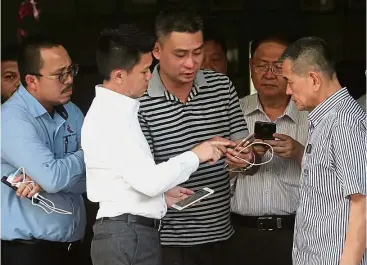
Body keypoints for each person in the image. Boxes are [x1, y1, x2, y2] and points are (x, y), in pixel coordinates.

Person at [82, 24, 234, 265]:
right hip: (126, 235)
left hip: (129, 232)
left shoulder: (118, 112)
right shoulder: (111, 117)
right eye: (144, 71)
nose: (149, 76)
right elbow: (149, 182)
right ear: (120, 75)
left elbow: (130, 180)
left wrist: (161, 198)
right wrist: (196, 154)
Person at [138, 10, 255, 265]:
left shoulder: (221, 87)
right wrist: (195, 154)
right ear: (156, 50)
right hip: (165, 239)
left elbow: (246, 151)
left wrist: (245, 158)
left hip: (221, 233)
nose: (192, 63)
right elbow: (140, 175)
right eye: (180, 54)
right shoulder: (139, 98)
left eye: (197, 52)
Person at [1, 36, 86, 265]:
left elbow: (98, 178)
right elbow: (54, 178)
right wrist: (88, 154)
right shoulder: (11, 119)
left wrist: (48, 181)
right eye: (60, 75)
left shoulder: (72, 111)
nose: (69, 80)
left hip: (72, 248)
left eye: (71, 70)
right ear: (31, 81)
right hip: (28, 252)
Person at [281, 36, 366, 265]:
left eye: (290, 81)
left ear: (313, 79)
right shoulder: (324, 119)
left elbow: (363, 203)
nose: (287, 90)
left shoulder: (343, 123)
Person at [227, 34, 309, 265]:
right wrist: (238, 163)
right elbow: (208, 177)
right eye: (262, 65)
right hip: (240, 233)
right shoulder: (233, 112)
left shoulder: (312, 117)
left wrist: (299, 153)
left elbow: (336, 178)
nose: (269, 74)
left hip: (296, 234)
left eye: (278, 66)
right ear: (251, 67)